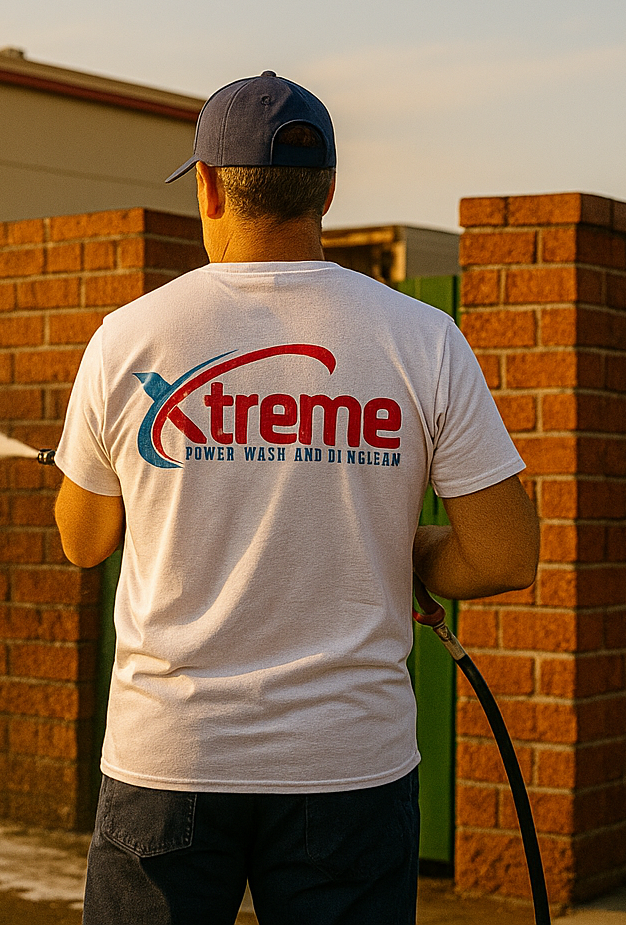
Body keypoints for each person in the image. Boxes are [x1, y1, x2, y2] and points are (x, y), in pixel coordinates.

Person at [53, 71, 540, 925]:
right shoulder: (422, 337)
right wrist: (418, 550)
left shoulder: (130, 336)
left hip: (171, 761)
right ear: (328, 191)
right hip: (349, 768)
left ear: (207, 186)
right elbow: (505, 555)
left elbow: (84, 540)